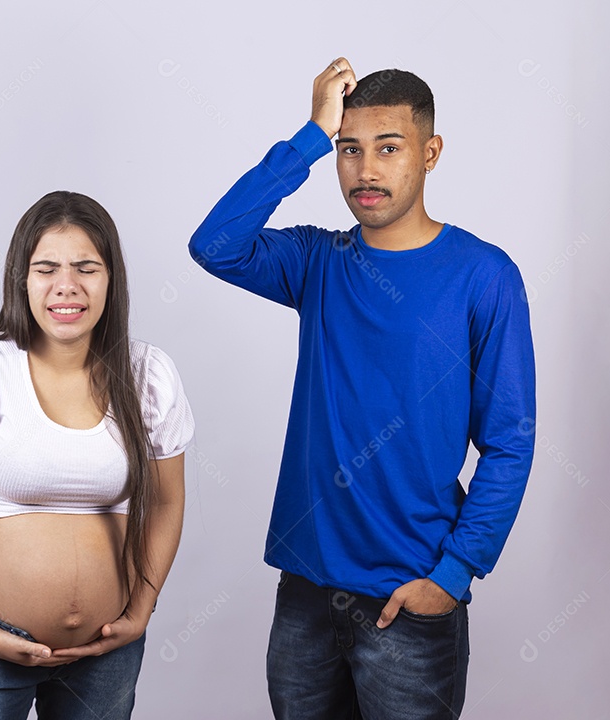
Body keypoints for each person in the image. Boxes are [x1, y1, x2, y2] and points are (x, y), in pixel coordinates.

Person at [188, 59, 536, 719]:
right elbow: (215, 245)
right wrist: (310, 138)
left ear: (430, 154)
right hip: (306, 594)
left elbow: (510, 441)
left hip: (411, 596)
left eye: (388, 148)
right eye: (350, 150)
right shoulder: (319, 261)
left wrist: (454, 574)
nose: (366, 170)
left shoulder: (485, 277)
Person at [0, 190, 194, 719]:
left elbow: (164, 504)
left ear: (111, 278)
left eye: (86, 267)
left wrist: (141, 609)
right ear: (22, 278)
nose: (66, 285)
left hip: (105, 650)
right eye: (46, 268)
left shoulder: (149, 374)